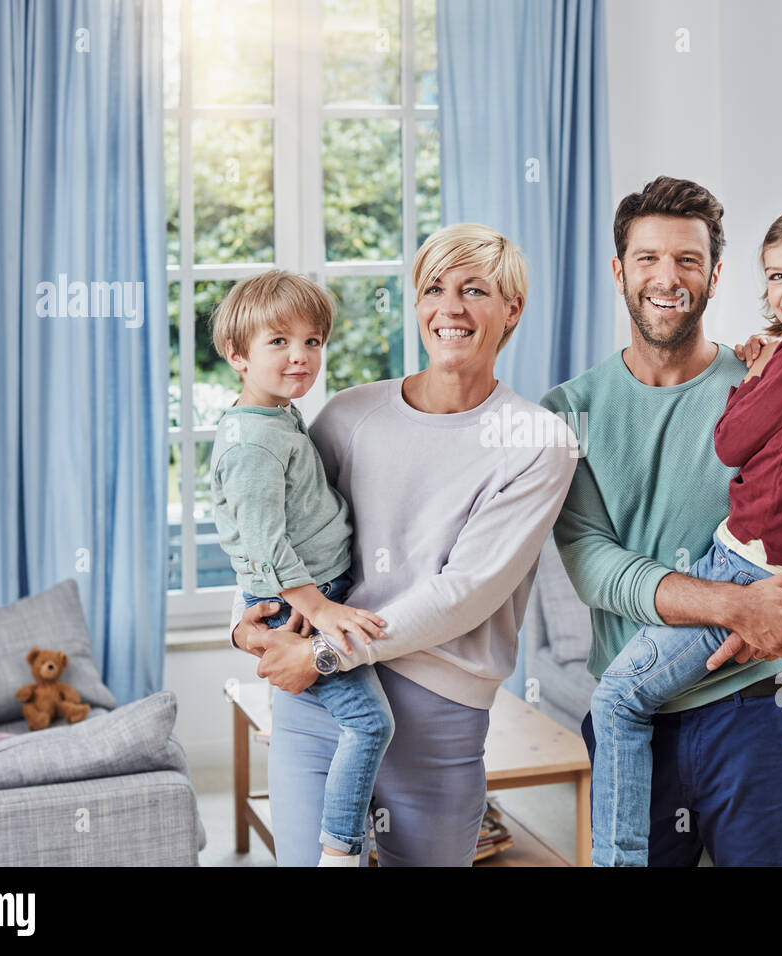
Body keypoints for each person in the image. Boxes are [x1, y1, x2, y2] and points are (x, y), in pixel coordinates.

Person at [541, 177, 782, 866]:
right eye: (646, 258)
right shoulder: (571, 407)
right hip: (644, 721)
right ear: (619, 270)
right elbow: (588, 556)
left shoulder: (772, 377)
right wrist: (736, 606)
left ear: (715, 275)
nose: (666, 278)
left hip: (759, 708)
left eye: (687, 260)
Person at [228, 224, 577, 866]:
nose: (450, 308)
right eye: (434, 289)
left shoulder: (538, 440)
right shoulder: (350, 414)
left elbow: (465, 592)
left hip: (433, 706)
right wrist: (243, 627)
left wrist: (327, 655)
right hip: (318, 703)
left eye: (475, 290)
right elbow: (275, 527)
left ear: (512, 310)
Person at [209, 270, 393, 867]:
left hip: (310, 593)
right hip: (301, 604)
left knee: (357, 725)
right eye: (279, 341)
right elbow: (263, 546)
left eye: (312, 341)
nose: (300, 357)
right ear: (237, 355)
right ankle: (341, 850)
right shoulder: (252, 443)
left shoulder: (276, 415)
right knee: (369, 725)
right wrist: (316, 608)